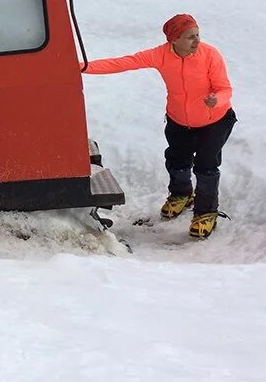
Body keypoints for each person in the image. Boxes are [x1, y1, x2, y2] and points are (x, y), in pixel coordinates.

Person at [82, 14, 235, 239]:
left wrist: (216, 99)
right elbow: (123, 62)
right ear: (174, 39)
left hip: (214, 121)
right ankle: (181, 195)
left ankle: (206, 212)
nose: (197, 41)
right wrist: (80, 67)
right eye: (190, 37)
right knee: (176, 160)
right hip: (179, 120)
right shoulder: (161, 55)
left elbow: (225, 88)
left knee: (206, 167)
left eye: (197, 35)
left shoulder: (210, 55)